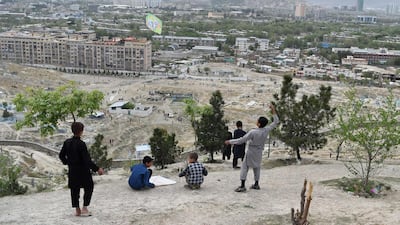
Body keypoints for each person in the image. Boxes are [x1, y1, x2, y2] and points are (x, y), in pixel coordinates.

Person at [225, 104, 279, 192]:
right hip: (259, 151)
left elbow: (241, 140)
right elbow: (276, 121)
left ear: (259, 123)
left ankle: (242, 185)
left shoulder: (253, 132)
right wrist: (273, 110)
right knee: (257, 167)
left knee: (244, 167)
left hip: (251, 151)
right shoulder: (266, 130)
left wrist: (230, 141)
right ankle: (256, 184)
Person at [59, 122, 104, 217]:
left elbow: (61, 155)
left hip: (72, 171)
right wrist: (97, 169)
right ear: (81, 131)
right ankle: (85, 208)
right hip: (83, 171)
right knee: (89, 187)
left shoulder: (67, 142)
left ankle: (77, 210)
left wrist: (67, 162)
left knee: (74, 190)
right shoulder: (81, 144)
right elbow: (87, 160)